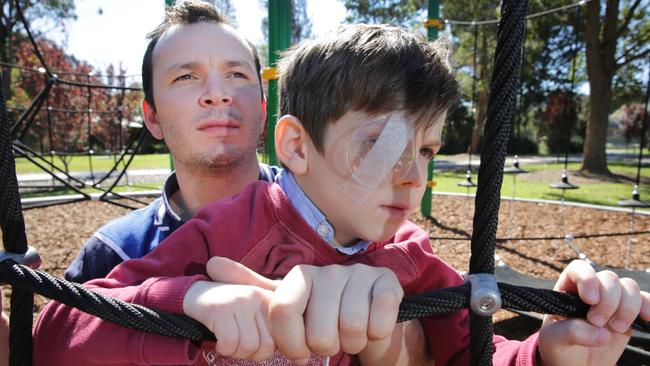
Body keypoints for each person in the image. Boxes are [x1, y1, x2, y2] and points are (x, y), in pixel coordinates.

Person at [32, 23, 650, 366]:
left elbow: (474, 355)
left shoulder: (411, 254)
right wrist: (189, 300)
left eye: (428, 150)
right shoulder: (225, 232)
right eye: (380, 146)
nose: (415, 177)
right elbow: (53, 337)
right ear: (296, 147)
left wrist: (548, 354)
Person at [63, 0, 279, 284]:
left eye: (236, 74)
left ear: (263, 111)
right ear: (153, 118)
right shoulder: (114, 256)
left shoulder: (328, 216)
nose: (217, 93)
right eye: (186, 76)